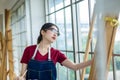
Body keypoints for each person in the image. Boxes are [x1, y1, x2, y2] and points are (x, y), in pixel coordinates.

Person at [15, 23, 93, 80]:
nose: (55, 34)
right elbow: (23, 75)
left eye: (57, 33)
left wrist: (93, 61)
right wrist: (19, 78)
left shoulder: (56, 53)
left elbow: (75, 67)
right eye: (53, 30)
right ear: (43, 32)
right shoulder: (29, 50)